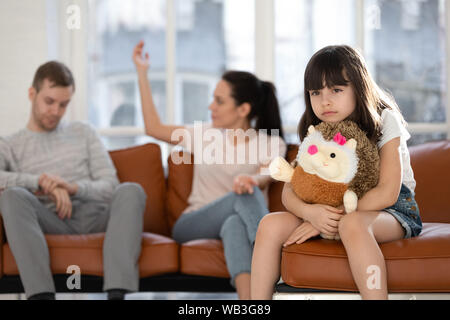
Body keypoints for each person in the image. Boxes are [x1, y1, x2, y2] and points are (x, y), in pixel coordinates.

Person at [251, 45, 422, 300]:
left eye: (336, 90)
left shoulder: (385, 120)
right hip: (326, 211)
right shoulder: (318, 128)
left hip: (389, 211)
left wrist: (333, 217)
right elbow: (290, 192)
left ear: (359, 88)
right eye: (315, 92)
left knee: (352, 224)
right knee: (269, 224)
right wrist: (311, 213)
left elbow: (387, 192)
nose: (325, 101)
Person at [132, 41, 287, 300]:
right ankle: (277, 259)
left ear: (243, 109)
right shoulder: (204, 134)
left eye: (219, 101)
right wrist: (141, 73)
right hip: (193, 223)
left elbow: (268, 172)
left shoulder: (271, 142)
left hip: (234, 221)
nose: (210, 107)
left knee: (234, 224)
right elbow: (153, 128)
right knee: (245, 195)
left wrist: (253, 178)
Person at [0, 61, 147, 300]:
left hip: (95, 217)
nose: (56, 111)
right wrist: (41, 182)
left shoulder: (84, 132)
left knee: (131, 190)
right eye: (49, 102)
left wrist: (73, 188)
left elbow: (111, 185)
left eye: (63, 104)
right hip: (49, 221)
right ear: (32, 94)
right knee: (12, 196)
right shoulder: (10, 144)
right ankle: (41, 296)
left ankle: (117, 294)